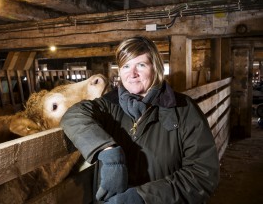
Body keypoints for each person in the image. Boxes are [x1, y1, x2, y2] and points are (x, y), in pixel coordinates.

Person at [60, 36, 220, 203]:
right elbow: (73, 115)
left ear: (156, 68)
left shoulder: (183, 109)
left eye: (141, 65)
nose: (132, 74)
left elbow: (203, 175)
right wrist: (108, 152)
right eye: (126, 66)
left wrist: (142, 198)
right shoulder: (109, 105)